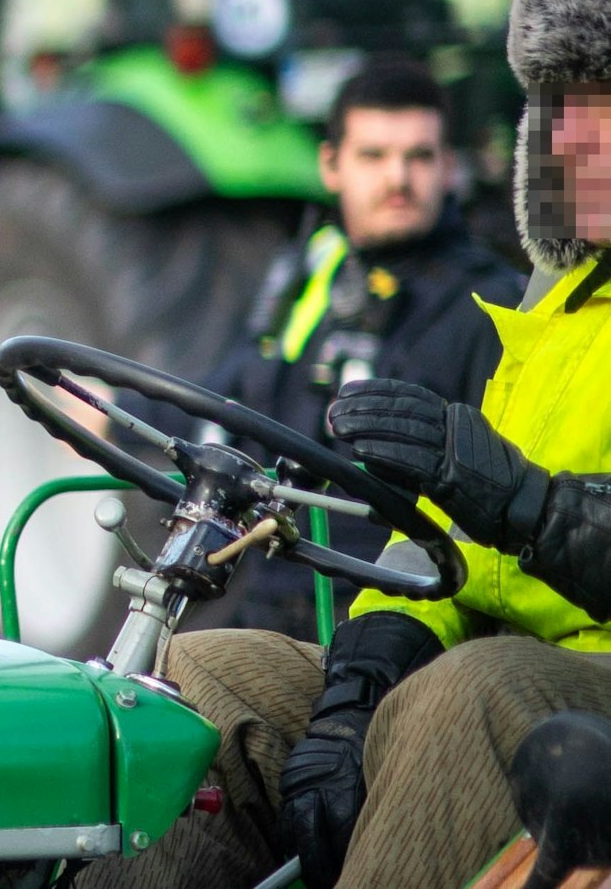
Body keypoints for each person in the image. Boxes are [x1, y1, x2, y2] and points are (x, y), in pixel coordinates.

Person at [77, 0, 611, 889]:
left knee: (458, 698)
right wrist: (348, 699)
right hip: (486, 653)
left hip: (572, 677)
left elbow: (503, 515)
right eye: (566, 111)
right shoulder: (551, 309)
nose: (581, 141)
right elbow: (440, 549)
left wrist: (523, 503)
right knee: (203, 682)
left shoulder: (472, 298)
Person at [191, 57, 523, 637]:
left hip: (393, 620)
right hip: (268, 598)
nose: (398, 178)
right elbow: (230, 394)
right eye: (373, 156)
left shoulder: (493, 309)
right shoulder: (307, 276)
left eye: (419, 157)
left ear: (449, 167)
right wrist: (106, 413)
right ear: (330, 165)